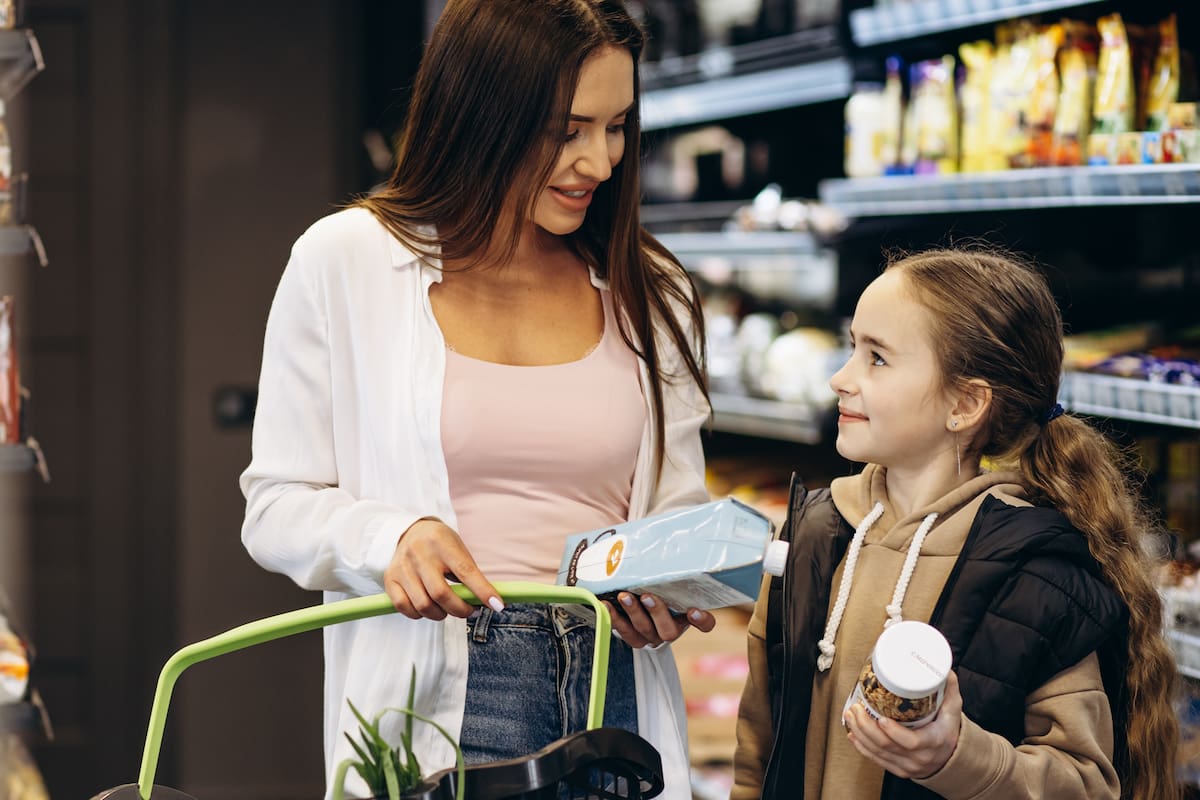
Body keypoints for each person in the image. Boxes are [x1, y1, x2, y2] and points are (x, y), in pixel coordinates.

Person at [239, 2, 716, 798]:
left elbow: (676, 509)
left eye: (617, 126)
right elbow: (274, 505)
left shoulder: (651, 290)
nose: (599, 162)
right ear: (483, 112)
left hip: (615, 696)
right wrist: (392, 537)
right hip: (445, 703)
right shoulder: (347, 262)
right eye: (568, 129)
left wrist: (668, 586)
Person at [732, 248, 1180, 799]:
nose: (839, 379)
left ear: (965, 404)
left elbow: (1085, 784)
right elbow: (758, 746)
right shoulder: (810, 534)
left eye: (877, 358)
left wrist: (954, 756)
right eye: (852, 347)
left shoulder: (1034, 572)